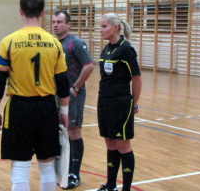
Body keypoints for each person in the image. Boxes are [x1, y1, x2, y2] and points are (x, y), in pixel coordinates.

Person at [0, 0, 71, 191]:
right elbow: (62, 82)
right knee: (47, 163)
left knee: (20, 164)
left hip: (19, 108)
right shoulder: (54, 43)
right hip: (46, 108)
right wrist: (64, 112)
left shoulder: (8, 42)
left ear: (20, 11)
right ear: (43, 12)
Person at [96, 13, 142, 191]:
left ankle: (126, 188)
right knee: (110, 143)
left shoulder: (126, 49)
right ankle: (111, 185)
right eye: (100, 26)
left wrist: (134, 103)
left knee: (123, 145)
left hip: (121, 103)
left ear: (115, 27)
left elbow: (136, 78)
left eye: (104, 26)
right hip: (104, 102)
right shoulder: (107, 49)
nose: (100, 30)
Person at [52, 10, 94, 189]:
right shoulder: (52, 43)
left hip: (72, 96)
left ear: (68, 24)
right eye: (54, 22)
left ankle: (74, 174)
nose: (55, 25)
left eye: (60, 22)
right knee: (59, 132)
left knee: (73, 132)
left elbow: (89, 65)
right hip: (55, 95)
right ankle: (62, 170)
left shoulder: (75, 43)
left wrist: (75, 88)